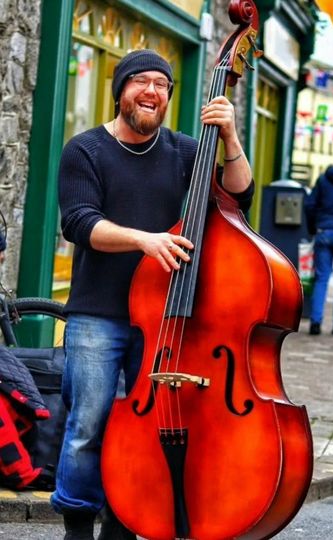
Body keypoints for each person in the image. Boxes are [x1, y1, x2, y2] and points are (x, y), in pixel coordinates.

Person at [51, 49, 254, 540]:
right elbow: (80, 223)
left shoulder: (186, 150)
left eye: (162, 85)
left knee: (143, 429)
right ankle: (78, 523)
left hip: (167, 317)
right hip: (98, 315)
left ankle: (125, 521)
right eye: (140, 81)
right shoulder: (86, 150)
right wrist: (145, 239)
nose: (151, 91)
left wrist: (229, 139)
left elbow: (239, 194)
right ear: (120, 90)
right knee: (88, 427)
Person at [305, 147, 333, 336]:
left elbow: (310, 205)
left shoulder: (324, 178)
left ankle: (315, 322)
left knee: (321, 278)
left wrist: (313, 228)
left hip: (324, 231)